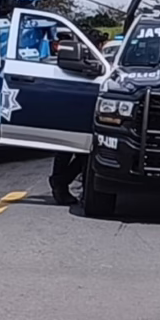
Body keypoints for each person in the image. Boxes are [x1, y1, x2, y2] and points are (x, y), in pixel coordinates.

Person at [48, 29, 113, 206]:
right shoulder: (82, 62)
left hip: (83, 111)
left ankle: (64, 183)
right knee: (73, 152)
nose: (101, 49)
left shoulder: (94, 62)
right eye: (99, 46)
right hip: (74, 111)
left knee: (83, 153)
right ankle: (61, 184)